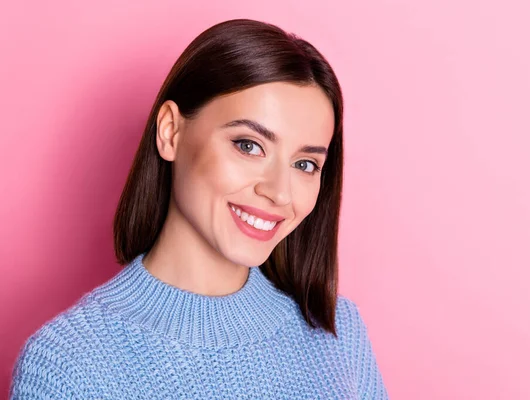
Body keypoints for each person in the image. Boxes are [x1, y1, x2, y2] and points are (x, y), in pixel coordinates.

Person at [10, 18, 389, 399]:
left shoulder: (341, 335)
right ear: (170, 131)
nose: (279, 193)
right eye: (248, 145)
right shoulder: (70, 364)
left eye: (305, 164)